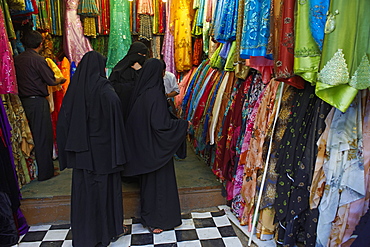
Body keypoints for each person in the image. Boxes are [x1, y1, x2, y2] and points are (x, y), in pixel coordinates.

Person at [56, 51, 129, 246]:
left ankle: (85, 235)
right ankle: (106, 232)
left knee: (85, 193)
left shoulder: (76, 89)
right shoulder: (103, 88)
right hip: (102, 152)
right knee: (103, 191)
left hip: (82, 154)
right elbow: (114, 108)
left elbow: (63, 121)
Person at [122, 58, 188, 234]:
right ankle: (157, 220)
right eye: (161, 72)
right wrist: (182, 125)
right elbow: (161, 125)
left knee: (150, 185)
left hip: (147, 148)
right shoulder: (155, 95)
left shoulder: (143, 93)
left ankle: (150, 218)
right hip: (156, 151)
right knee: (159, 186)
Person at [14, 30, 66, 181]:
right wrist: (61, 80)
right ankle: (45, 172)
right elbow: (51, 80)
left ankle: (33, 170)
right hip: (37, 102)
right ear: (40, 44)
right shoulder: (38, 60)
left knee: (27, 136)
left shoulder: (17, 59)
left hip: (22, 101)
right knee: (43, 136)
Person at [109, 41, 148, 121]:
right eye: (140, 55)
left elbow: (146, 85)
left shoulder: (144, 69)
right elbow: (112, 86)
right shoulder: (120, 68)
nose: (142, 58)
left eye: (144, 55)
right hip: (121, 107)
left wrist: (139, 71)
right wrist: (130, 87)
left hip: (137, 109)